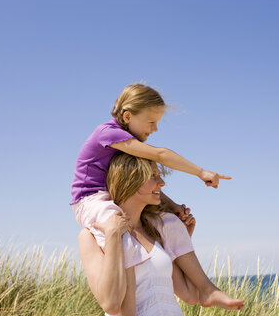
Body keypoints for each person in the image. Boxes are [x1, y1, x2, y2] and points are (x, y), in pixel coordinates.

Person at [71, 83, 243, 309]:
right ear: (127, 115)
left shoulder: (124, 148)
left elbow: (140, 183)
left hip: (108, 193)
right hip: (90, 199)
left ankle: (206, 288)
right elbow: (160, 155)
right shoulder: (108, 134)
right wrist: (201, 172)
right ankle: (127, 308)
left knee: (170, 222)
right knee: (118, 227)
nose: (155, 129)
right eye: (151, 122)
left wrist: (171, 208)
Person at [79, 154, 199, 315]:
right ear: (131, 181)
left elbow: (190, 295)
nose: (162, 183)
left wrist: (183, 242)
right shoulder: (90, 236)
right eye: (153, 176)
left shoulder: (153, 231)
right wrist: (113, 236)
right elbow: (111, 304)